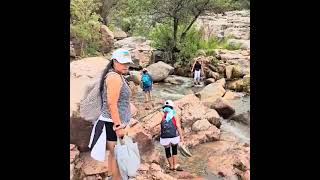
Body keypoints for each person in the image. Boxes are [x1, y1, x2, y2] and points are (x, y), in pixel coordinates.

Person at [88, 48, 133, 180]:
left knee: (114, 155)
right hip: (113, 124)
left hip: (112, 122)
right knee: (118, 155)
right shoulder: (114, 77)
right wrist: (118, 127)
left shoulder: (115, 75)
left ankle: (110, 176)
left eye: (128, 63)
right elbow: (112, 104)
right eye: (123, 62)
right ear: (114, 61)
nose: (126, 66)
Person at [148, 100, 184, 171]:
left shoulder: (161, 114)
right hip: (174, 136)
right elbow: (178, 126)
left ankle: (170, 166)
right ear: (172, 107)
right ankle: (174, 165)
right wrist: (182, 138)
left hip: (165, 137)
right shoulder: (174, 114)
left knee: (167, 150)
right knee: (174, 149)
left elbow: (155, 123)